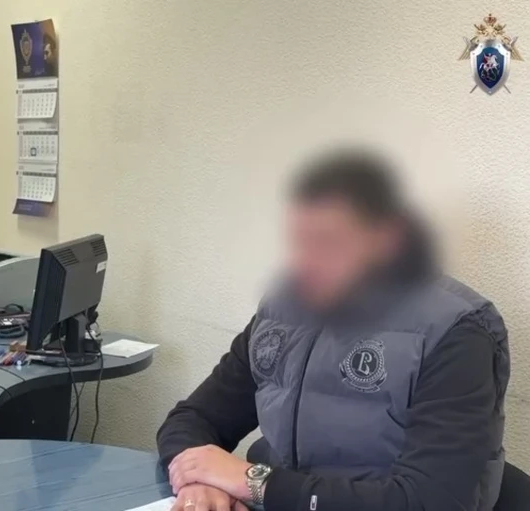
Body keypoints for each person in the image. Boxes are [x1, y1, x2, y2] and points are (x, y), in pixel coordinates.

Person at [157, 149, 510, 511]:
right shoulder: (282, 310)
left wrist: (254, 482)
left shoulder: (456, 331)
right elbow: (194, 418)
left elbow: (430, 501)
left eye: (328, 242)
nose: (306, 263)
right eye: (299, 241)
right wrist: (199, 481)